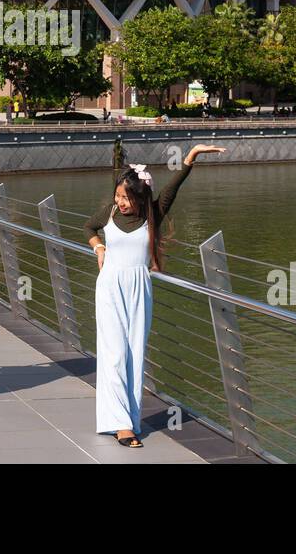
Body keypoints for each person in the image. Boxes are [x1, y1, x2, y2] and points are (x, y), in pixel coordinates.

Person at [84, 143, 225, 447]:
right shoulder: (108, 212)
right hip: (109, 286)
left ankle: (128, 420)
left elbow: (173, 189)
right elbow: (89, 227)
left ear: (139, 197)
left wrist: (190, 157)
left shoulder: (152, 215)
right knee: (115, 355)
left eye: (126, 197)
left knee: (135, 354)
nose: (120, 202)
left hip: (138, 289)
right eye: (118, 196)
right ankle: (120, 424)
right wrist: (98, 246)